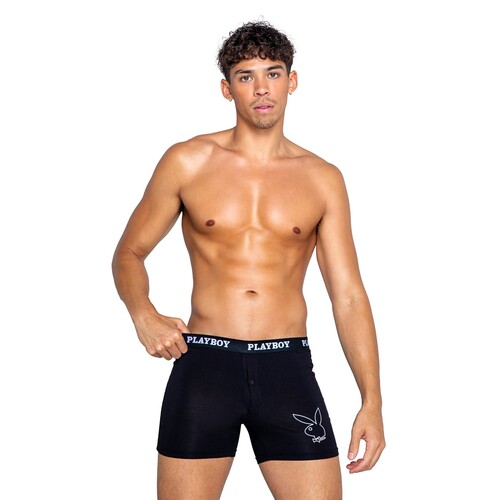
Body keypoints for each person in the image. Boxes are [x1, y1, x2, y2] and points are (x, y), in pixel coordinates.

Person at [112, 20, 385, 500]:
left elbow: (347, 295)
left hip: (286, 368)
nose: (261, 88)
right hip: (204, 367)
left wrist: (372, 401)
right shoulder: (188, 161)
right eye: (246, 76)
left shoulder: (322, 178)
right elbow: (128, 253)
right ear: (227, 88)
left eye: (273, 73)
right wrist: (143, 314)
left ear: (291, 81)